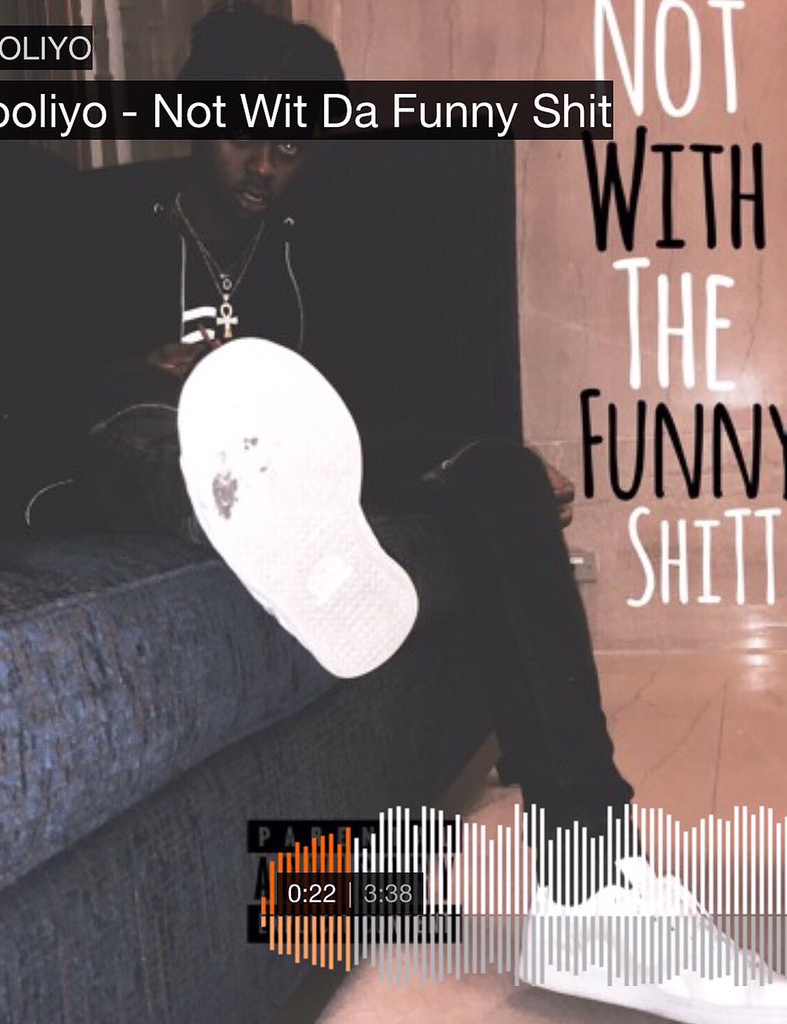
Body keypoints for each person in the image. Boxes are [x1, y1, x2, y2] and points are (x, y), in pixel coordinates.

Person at [78, 5, 786, 1021]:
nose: (264, 167)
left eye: (291, 149)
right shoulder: (113, 226)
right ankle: (226, 507)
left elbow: (377, 405)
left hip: (313, 453)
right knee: (149, 432)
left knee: (496, 474)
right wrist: (145, 373)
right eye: (242, 137)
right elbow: (45, 396)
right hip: (153, 447)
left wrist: (490, 464)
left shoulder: (314, 244)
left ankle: (590, 882)